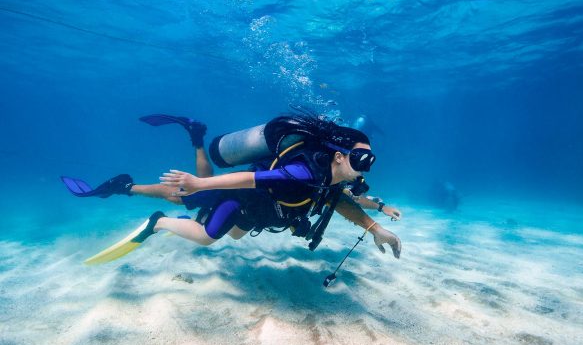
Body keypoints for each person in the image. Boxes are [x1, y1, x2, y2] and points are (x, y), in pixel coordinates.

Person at [62, 112, 402, 261]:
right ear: (339, 157)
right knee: (198, 220)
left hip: (259, 209)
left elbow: (342, 200)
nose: (364, 170)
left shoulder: (331, 179)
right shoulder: (303, 172)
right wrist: (200, 182)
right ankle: (152, 216)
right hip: (240, 196)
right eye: (360, 161)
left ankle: (192, 141)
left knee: (206, 211)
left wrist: (378, 219)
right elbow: (249, 178)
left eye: (370, 162)